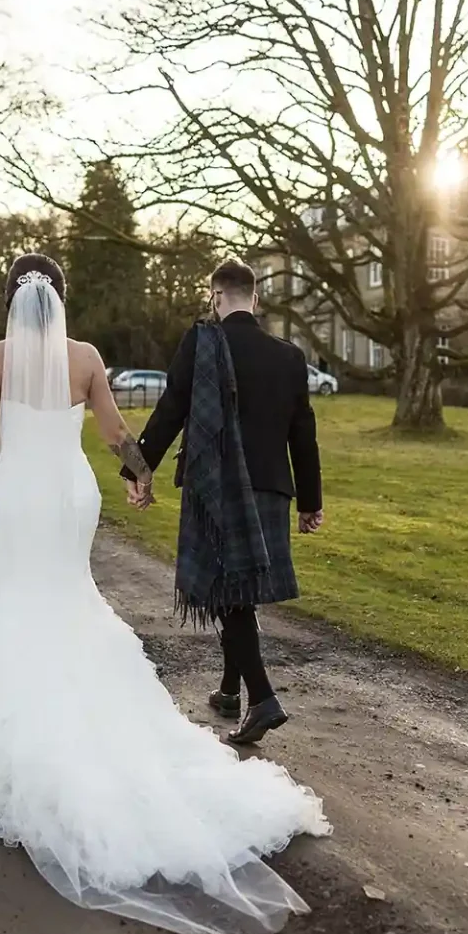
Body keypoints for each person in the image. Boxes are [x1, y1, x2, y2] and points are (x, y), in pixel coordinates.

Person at [0, 254, 329, 934]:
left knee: (16, 604)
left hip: (21, 499)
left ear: (11, 299)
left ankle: (15, 738)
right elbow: (114, 433)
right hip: (73, 497)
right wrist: (140, 476)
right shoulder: (85, 356)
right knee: (71, 604)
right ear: (61, 297)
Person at [122, 258, 323, 746]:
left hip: (217, 486)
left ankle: (262, 698)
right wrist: (309, 501)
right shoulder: (290, 356)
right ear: (255, 299)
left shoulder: (203, 342)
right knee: (239, 591)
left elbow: (172, 407)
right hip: (272, 487)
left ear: (215, 297)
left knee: (222, 590)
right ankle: (231, 689)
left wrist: (137, 469)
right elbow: (303, 432)